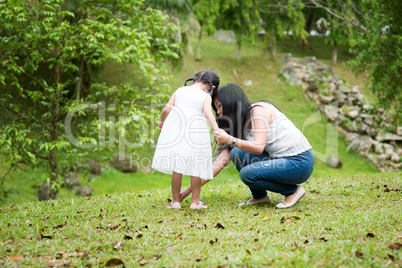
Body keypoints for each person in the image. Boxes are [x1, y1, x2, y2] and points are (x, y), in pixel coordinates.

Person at [180, 83, 314, 209]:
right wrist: (187, 192)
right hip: (280, 160)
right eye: (217, 108)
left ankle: (293, 191)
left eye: (220, 106)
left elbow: (258, 147)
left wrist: (231, 139)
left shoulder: (259, 110)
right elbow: (218, 165)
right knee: (237, 153)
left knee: (248, 174)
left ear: (232, 103)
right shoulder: (240, 124)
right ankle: (260, 196)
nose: (219, 112)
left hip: (299, 162)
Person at [152, 70, 220, 209]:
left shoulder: (180, 91)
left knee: (178, 168)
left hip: (177, 132)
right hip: (197, 133)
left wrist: (162, 122)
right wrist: (216, 129)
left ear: (194, 80)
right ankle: (195, 202)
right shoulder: (205, 96)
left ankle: (176, 202)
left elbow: (166, 110)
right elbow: (208, 114)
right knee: (197, 168)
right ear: (212, 88)